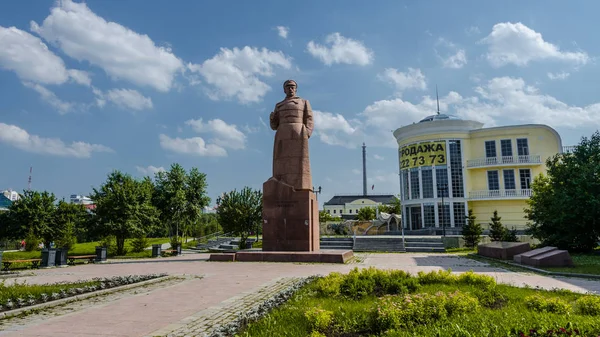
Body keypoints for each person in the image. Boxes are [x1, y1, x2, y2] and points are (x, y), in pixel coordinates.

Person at [269, 80, 314, 191]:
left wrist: (307, 132)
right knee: (280, 161)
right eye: (288, 87)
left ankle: (300, 186)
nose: (290, 89)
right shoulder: (279, 105)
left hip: (299, 133)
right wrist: (272, 119)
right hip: (282, 134)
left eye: (292, 87)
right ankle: (280, 183)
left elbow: (309, 118)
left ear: (296, 89)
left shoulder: (303, 102)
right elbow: (274, 126)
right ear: (284, 90)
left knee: (300, 162)